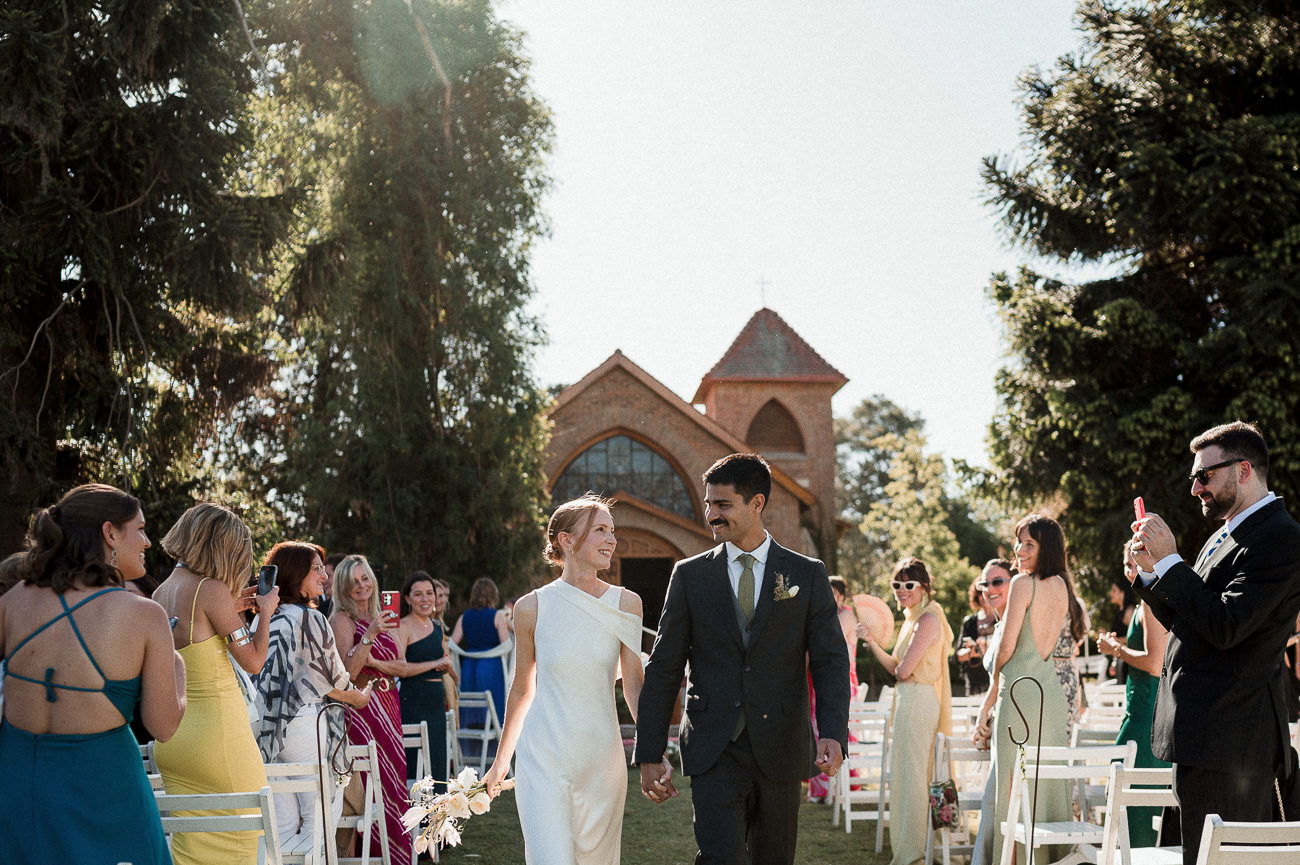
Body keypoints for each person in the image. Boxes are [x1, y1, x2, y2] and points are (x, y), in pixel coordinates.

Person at [634, 452, 850, 865]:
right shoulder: (689, 575)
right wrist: (648, 750)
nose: (711, 514)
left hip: (782, 747)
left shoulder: (806, 574)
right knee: (721, 858)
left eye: (723, 505)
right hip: (714, 747)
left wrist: (833, 731)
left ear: (757, 504)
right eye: (708, 503)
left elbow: (830, 661)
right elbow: (664, 666)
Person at [1129, 421, 1300, 863]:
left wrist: (1171, 561)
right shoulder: (1224, 534)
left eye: (1203, 475)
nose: (1194, 488)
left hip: (1234, 742)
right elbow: (1194, 622)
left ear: (1243, 470)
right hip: (1204, 739)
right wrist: (1152, 574)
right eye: (1193, 478)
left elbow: (1228, 626)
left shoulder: (1279, 536)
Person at [0, 484, 186, 865]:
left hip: (19, 784)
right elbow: (163, 727)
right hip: (105, 793)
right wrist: (178, 675)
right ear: (109, 533)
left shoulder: (12, 600)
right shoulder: (143, 614)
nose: (147, 542)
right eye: (140, 528)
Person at [482, 495, 644, 864]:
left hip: (602, 760)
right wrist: (500, 762)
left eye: (612, 531)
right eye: (600, 530)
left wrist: (651, 750)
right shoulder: (530, 608)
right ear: (566, 541)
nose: (611, 539)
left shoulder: (627, 603)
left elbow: (633, 684)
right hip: (543, 757)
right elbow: (523, 687)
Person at [152, 503, 280, 865]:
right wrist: (265, 612)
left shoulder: (160, 593)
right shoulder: (210, 590)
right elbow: (254, 660)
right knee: (246, 845)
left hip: (175, 743)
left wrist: (235, 605)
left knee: (189, 851)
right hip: (220, 742)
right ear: (222, 548)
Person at [251, 541, 371, 849]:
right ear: (296, 575)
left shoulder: (264, 618)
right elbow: (328, 679)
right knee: (320, 816)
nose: (324, 576)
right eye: (316, 568)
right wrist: (357, 698)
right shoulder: (310, 618)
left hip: (267, 731)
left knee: (284, 823)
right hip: (305, 725)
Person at [979, 514, 1083, 864]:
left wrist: (990, 691)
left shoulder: (1024, 583)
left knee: (1011, 786)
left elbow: (1005, 649)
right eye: (1018, 542)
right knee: (1046, 784)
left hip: (1019, 692)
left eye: (1028, 544)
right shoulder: (1061, 586)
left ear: (1046, 547)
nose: (1018, 550)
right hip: (1049, 694)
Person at [860, 557, 953, 865]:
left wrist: (902, 671)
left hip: (918, 702)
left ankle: (915, 852)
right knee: (905, 776)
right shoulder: (912, 620)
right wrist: (872, 642)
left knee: (915, 778)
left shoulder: (928, 619)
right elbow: (897, 669)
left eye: (909, 584)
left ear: (924, 587)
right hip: (908, 700)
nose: (902, 590)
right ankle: (912, 846)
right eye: (896, 585)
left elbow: (903, 671)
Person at [330, 554, 412, 865]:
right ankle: (366, 856)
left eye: (365, 579)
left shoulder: (385, 616)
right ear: (344, 587)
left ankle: (394, 857)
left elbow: (402, 667)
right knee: (369, 789)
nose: (361, 586)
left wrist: (375, 662)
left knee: (393, 782)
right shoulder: (341, 620)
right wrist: (370, 636)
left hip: (390, 709)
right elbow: (347, 673)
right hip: (362, 713)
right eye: (354, 582)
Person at [1097, 541, 1170, 847]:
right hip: (1142, 708)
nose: (1131, 571)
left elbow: (1155, 663)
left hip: (1146, 714)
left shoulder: (1150, 601)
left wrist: (1117, 650)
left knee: (1134, 801)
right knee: (1131, 798)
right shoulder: (1148, 598)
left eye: (1136, 562)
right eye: (1127, 565)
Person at [968, 559, 1013, 865]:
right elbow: (997, 682)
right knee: (995, 802)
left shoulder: (1015, 621)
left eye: (998, 581)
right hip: (999, 719)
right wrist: (984, 719)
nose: (990, 589)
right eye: (985, 584)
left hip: (1015, 723)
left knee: (1000, 800)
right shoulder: (999, 624)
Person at [398, 570, 457, 784]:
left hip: (435, 700)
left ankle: (439, 815)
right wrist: (434, 664)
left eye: (429, 593)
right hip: (413, 699)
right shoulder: (402, 626)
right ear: (407, 598)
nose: (425, 599)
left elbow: (445, 658)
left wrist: (447, 665)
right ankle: (416, 816)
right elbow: (400, 668)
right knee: (415, 764)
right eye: (418, 594)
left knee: (437, 759)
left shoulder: (437, 627)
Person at [807, 575, 861, 802]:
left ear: (841, 596)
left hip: (842, 681)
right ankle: (820, 790)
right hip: (816, 679)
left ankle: (839, 787)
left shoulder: (845, 616)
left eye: (833, 593)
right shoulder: (824, 617)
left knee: (836, 730)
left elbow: (825, 641)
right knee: (817, 729)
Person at [451, 576, 511, 753]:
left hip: (469, 667)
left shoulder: (465, 617)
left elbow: (452, 643)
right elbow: (506, 644)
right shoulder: (497, 616)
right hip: (490, 668)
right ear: (494, 595)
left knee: (472, 710)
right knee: (493, 710)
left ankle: (471, 756)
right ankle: (495, 756)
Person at [956, 578, 995, 697]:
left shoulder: (1005, 619)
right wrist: (972, 652)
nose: (984, 597)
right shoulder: (970, 622)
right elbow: (957, 656)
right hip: (976, 684)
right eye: (980, 594)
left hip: (997, 682)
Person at [1104, 579, 1137, 682]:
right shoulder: (1119, 611)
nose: (1111, 593)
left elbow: (1135, 637)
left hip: (1128, 661)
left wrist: (1114, 641)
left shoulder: (1129, 611)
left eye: (1114, 590)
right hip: (1120, 658)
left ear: (1123, 593)